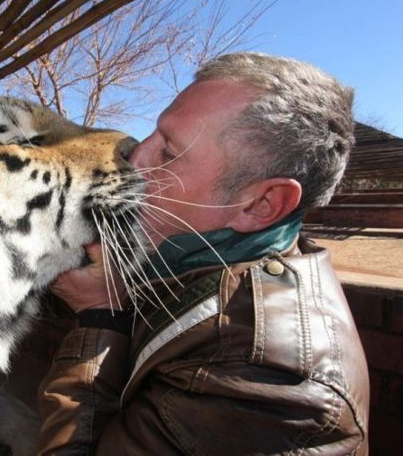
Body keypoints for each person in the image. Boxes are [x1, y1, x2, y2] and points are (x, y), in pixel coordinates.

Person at [37, 52, 369, 455]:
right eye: (151, 135)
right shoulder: (187, 261)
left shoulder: (269, 383)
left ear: (260, 205)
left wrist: (100, 315)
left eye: (168, 153)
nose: (131, 158)